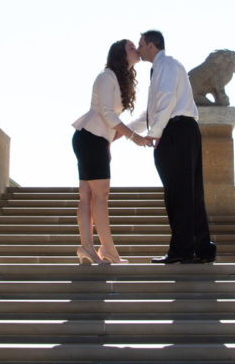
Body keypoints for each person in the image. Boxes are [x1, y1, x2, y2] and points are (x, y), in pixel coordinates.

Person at [131, 30, 216, 264]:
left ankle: (183, 250)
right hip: (179, 130)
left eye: (140, 44)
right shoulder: (162, 68)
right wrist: (125, 131)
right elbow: (152, 112)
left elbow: (167, 100)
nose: (138, 49)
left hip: (176, 130)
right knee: (186, 192)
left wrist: (155, 134)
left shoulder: (166, 65)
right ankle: (199, 249)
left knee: (179, 193)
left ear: (151, 45)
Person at [70, 39, 152, 264]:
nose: (136, 50)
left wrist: (107, 144)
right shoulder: (106, 77)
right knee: (100, 194)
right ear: (120, 54)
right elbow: (107, 114)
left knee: (88, 195)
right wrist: (133, 137)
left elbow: (108, 120)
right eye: (131, 48)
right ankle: (108, 251)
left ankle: (88, 248)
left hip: (94, 140)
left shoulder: (117, 79)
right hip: (89, 138)